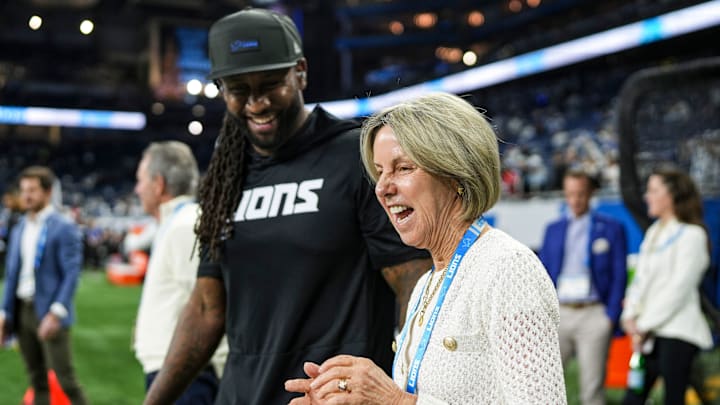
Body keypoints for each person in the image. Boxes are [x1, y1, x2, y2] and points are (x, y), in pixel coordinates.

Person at [143, 8, 430, 405]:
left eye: (271, 84)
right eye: (238, 90)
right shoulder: (225, 175)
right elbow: (208, 306)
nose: (257, 103)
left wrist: (405, 391)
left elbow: (413, 281)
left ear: (301, 72)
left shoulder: (357, 156)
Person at [286, 92, 566, 404]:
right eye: (380, 172)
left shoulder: (507, 268)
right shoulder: (425, 284)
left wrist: (395, 401)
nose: (382, 188)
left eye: (403, 168)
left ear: (455, 173)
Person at [133, 141, 228, 404]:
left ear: (158, 184)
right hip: (178, 372)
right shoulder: (178, 222)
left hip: (186, 376)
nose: (136, 189)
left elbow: (211, 307)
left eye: (140, 180)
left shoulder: (185, 226)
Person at [620, 168, 713, 405]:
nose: (646, 196)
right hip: (647, 336)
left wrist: (643, 325)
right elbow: (639, 280)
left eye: (653, 190)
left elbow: (679, 290)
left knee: (674, 398)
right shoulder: (653, 233)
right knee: (633, 398)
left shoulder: (693, 235)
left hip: (678, 333)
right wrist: (629, 315)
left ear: (671, 196)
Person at [0, 166, 89, 405]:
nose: (26, 196)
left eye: (32, 190)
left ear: (48, 192)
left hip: (50, 312)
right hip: (22, 310)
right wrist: (4, 313)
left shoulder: (64, 226)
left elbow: (71, 273)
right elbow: (11, 275)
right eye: (23, 190)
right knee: (36, 380)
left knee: (66, 381)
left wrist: (57, 311)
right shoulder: (20, 227)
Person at [539, 170, 627, 405]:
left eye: (580, 194)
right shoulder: (553, 229)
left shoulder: (611, 228)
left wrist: (609, 316)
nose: (575, 200)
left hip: (594, 314)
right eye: (570, 194)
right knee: (542, 385)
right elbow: (544, 272)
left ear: (590, 194)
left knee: (592, 389)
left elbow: (620, 275)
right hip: (560, 314)